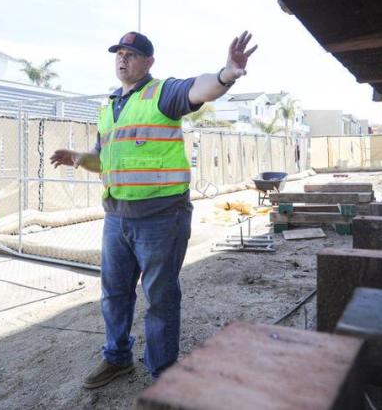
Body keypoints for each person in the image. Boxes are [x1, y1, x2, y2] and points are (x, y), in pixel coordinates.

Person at [51, 30, 258, 387]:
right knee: (114, 293)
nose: (123, 58)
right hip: (117, 217)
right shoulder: (109, 108)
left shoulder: (162, 93)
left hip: (161, 217)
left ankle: (162, 373)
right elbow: (103, 161)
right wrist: (79, 159)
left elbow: (199, 88)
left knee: (160, 296)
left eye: (131, 54)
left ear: (148, 62)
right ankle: (117, 358)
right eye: (119, 53)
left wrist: (225, 74)